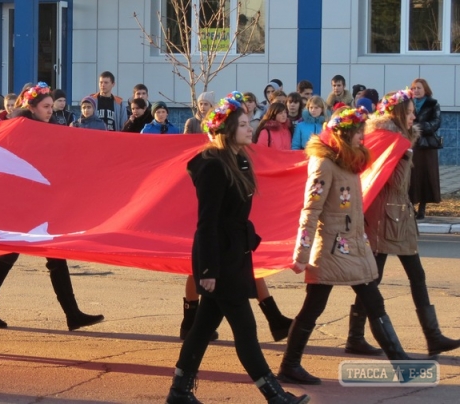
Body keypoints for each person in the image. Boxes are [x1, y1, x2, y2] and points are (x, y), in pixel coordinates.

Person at [166, 91, 309, 404]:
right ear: (228, 130)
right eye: (244, 124)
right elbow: (207, 224)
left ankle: (178, 392)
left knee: (202, 328)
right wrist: (208, 271)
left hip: (234, 254)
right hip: (219, 260)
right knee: (246, 328)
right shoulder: (212, 166)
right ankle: (275, 396)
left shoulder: (239, 159)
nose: (250, 127)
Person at [279, 107, 411, 385]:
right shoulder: (324, 163)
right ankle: (289, 365)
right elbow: (310, 210)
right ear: (346, 134)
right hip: (329, 248)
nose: (363, 138)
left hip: (353, 245)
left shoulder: (349, 161)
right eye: (359, 133)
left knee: (374, 301)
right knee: (313, 307)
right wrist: (301, 253)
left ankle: (401, 363)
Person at [0, 82, 104, 331]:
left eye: (50, 107)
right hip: (20, 205)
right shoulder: (19, 130)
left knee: (51, 256)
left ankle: (72, 313)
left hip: (40, 204)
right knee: (8, 256)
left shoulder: (48, 129)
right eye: (45, 107)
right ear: (31, 107)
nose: (50, 111)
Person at [345, 89, 460, 357]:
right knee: (374, 278)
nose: (413, 116)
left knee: (412, 276)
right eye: (409, 112)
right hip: (385, 218)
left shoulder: (400, 140)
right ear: (397, 113)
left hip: (400, 216)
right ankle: (356, 336)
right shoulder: (388, 141)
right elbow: (392, 182)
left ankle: (432, 336)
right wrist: (405, 156)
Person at [408, 78, 442, 220]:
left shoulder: (433, 104)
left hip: (427, 147)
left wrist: (417, 128)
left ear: (425, 90)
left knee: (426, 177)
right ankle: (411, 207)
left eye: (419, 88)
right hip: (412, 145)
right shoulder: (408, 104)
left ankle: (422, 207)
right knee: (412, 176)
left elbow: (436, 122)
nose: (416, 91)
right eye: (414, 88)